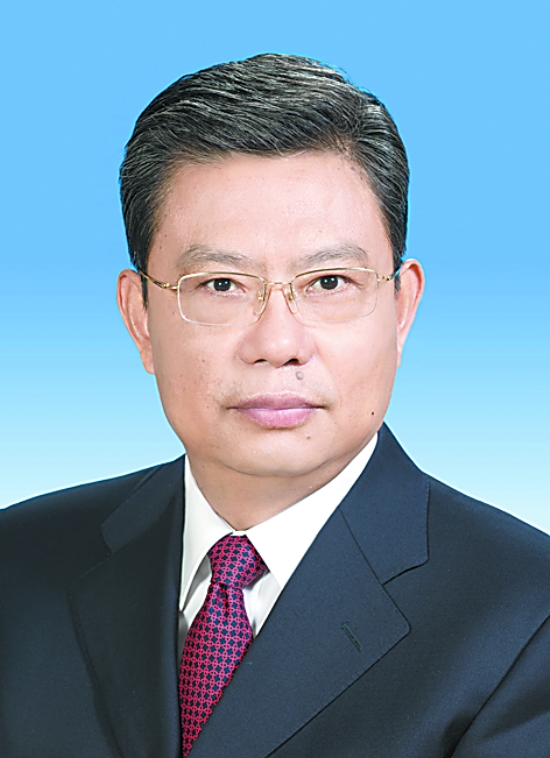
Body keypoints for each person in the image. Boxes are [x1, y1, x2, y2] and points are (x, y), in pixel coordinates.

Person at [1, 53, 549, 758]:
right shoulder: (18, 565)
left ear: (401, 308)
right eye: (221, 285)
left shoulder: (526, 618)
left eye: (328, 282)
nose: (278, 344)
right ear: (140, 318)